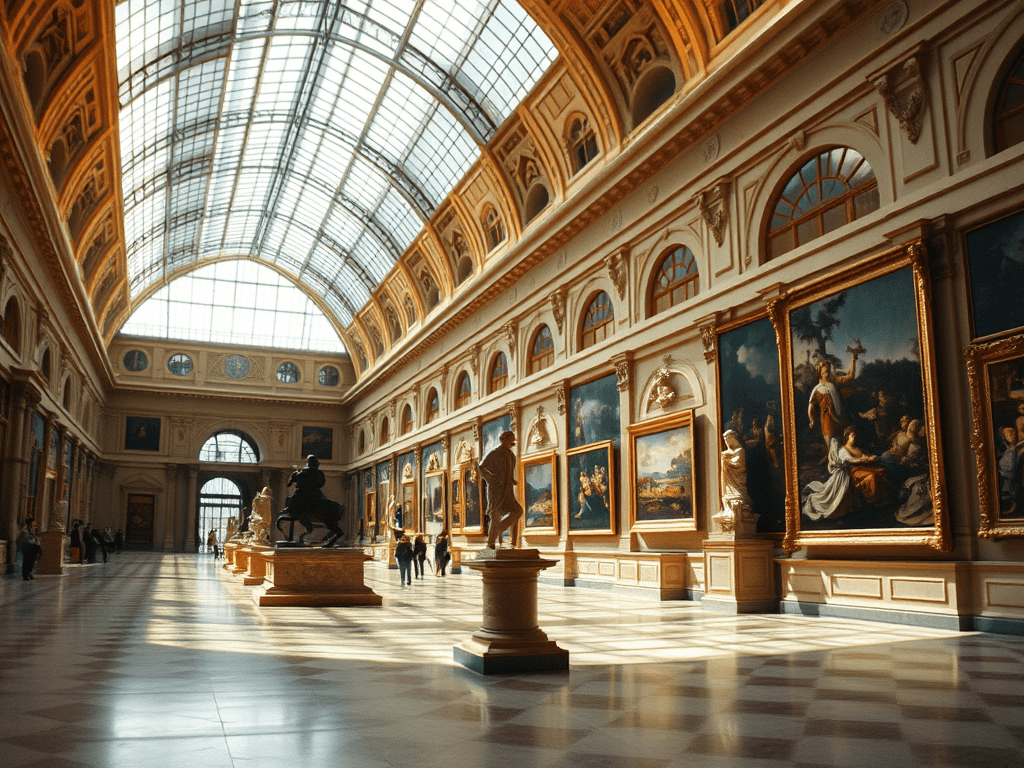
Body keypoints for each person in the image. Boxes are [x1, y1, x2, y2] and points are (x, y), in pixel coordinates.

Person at [478, 430, 524, 550]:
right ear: (504, 440)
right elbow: (481, 467)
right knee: (495, 516)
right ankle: (490, 543)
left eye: (513, 441)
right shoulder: (494, 453)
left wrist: (513, 480)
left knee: (518, 511)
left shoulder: (511, 456)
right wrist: (491, 479)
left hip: (508, 490)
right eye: (510, 440)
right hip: (496, 490)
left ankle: (499, 529)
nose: (512, 443)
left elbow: (509, 471)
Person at [807, 356, 858, 449]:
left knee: (843, 444)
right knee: (831, 447)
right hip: (827, 421)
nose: (826, 370)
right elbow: (811, 405)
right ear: (820, 371)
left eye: (828, 368)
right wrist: (812, 419)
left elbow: (851, 376)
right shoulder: (817, 389)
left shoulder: (834, 382)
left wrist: (853, 360)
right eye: (824, 368)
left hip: (839, 418)